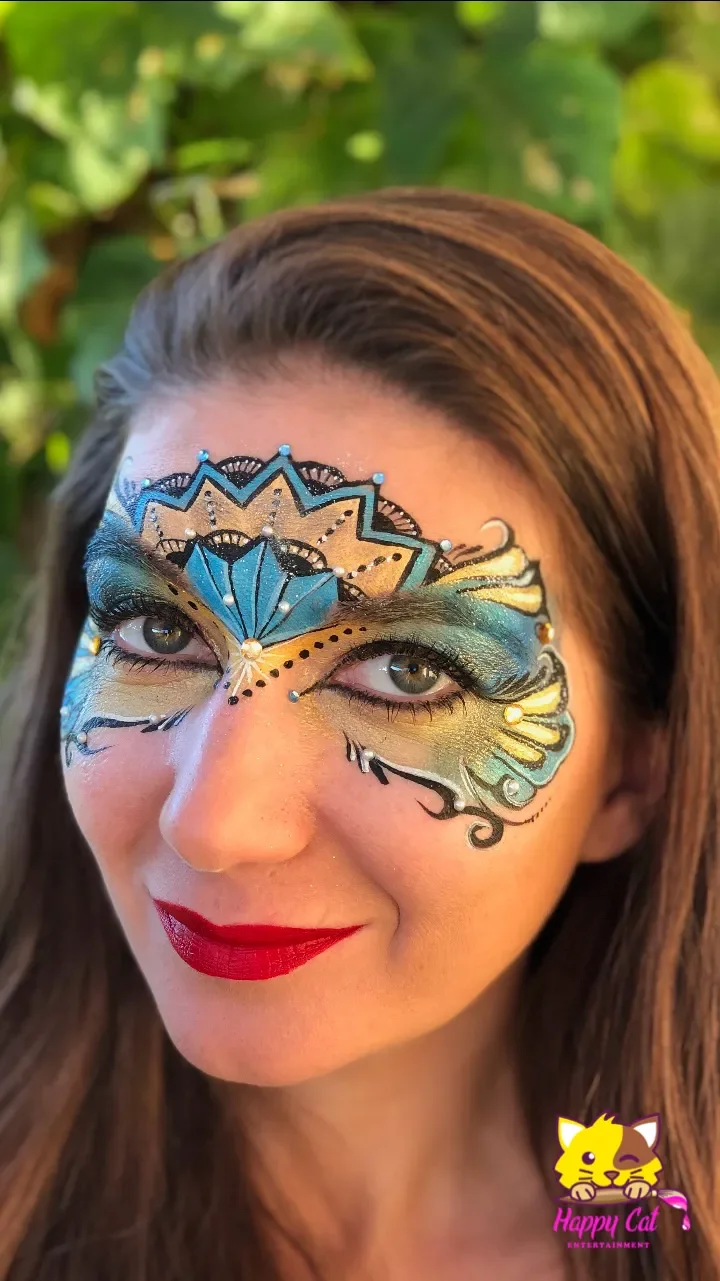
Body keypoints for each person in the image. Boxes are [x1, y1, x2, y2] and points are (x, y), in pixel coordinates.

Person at [0, 188, 717, 1281]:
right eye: (156, 627)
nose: (213, 825)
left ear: (635, 775)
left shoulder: (632, 1213)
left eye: (409, 670)